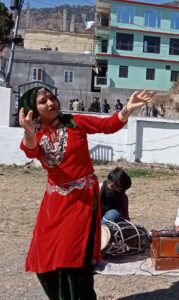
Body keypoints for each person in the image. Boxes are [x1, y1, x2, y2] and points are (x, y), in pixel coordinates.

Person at [18, 87, 155, 299]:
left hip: (81, 199)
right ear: (32, 110)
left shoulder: (74, 122)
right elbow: (31, 149)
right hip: (54, 203)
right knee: (44, 259)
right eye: (43, 101)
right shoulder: (35, 134)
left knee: (73, 256)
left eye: (52, 98)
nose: (51, 103)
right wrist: (28, 130)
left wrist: (128, 108)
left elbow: (107, 125)